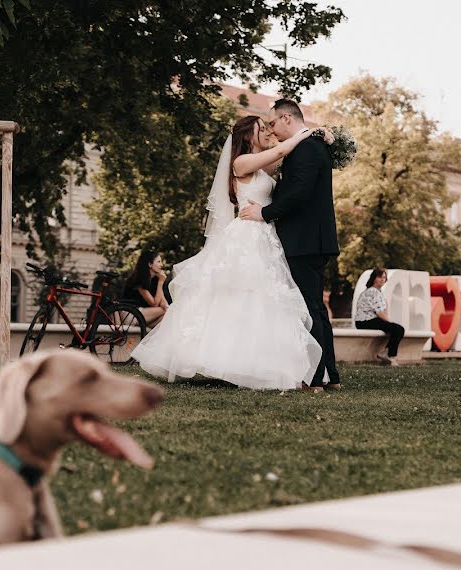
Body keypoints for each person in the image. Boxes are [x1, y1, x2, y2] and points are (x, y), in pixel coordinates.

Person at [130, 115, 328, 390]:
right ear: (247, 136)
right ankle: (227, 362)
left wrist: (323, 135)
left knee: (264, 301)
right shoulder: (241, 163)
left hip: (265, 236)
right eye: (261, 129)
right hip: (246, 236)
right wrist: (307, 132)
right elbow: (283, 150)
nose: (267, 133)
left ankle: (256, 364)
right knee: (238, 297)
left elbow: (286, 157)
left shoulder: (263, 166)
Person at [238, 98, 341, 392]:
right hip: (314, 239)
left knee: (308, 309)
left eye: (272, 123)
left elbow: (300, 193)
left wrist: (265, 213)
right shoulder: (308, 145)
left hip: (304, 239)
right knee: (316, 309)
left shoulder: (306, 148)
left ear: (286, 118)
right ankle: (330, 375)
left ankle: (314, 378)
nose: (271, 130)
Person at [355, 268, 405, 366]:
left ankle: (386, 353)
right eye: (379, 277)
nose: (382, 279)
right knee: (398, 329)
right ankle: (389, 355)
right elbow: (380, 313)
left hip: (364, 321)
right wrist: (390, 323)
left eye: (384, 277)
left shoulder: (375, 292)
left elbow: (382, 311)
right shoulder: (373, 292)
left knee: (396, 328)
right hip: (367, 321)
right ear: (374, 278)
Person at [122, 250, 170, 327]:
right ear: (150, 264)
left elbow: (163, 303)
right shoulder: (139, 279)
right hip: (131, 313)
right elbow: (154, 304)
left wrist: (171, 309)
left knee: (166, 318)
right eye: (158, 262)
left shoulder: (155, 280)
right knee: (165, 311)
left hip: (145, 314)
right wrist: (161, 282)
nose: (161, 265)